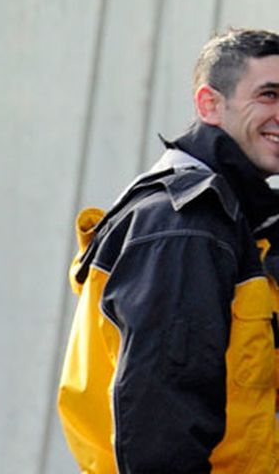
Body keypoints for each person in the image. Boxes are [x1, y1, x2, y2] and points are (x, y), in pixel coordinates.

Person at [58, 28, 279, 473]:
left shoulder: (240, 222)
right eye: (269, 95)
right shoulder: (186, 225)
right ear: (209, 104)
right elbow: (161, 425)